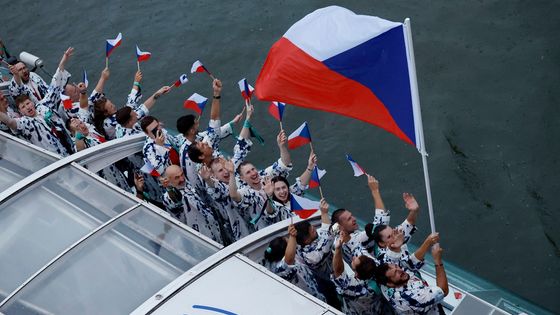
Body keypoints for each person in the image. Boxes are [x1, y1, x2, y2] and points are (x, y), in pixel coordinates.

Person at [0, 47, 75, 156]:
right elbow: (11, 122)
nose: (27, 107)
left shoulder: (42, 105)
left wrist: (64, 59)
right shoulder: (27, 123)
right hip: (56, 157)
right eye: (23, 107)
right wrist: (16, 75)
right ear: (20, 111)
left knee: (68, 92)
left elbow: (54, 85)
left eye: (24, 68)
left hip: (68, 143)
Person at [226, 129, 292, 231]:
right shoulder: (247, 192)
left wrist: (282, 147)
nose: (253, 173)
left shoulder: (264, 176)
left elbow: (284, 164)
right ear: (242, 178)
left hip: (287, 221)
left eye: (253, 169)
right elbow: (234, 195)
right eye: (248, 172)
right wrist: (231, 173)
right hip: (268, 234)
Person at [330, 174, 391, 264]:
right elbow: (381, 225)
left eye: (352, 216)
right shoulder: (354, 240)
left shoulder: (337, 241)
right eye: (349, 219)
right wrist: (375, 191)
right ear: (341, 227)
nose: (354, 219)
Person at [331, 230, 394, 315]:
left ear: (357, 274)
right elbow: (358, 249)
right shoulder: (379, 270)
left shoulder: (355, 289)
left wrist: (338, 248)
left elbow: (338, 271)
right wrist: (346, 237)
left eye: (353, 261)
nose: (353, 258)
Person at [375, 243, 449, 314]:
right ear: (390, 284)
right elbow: (443, 290)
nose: (400, 270)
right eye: (395, 273)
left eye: (396, 267)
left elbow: (410, 263)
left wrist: (399, 245)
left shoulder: (388, 278)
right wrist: (437, 260)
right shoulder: (409, 297)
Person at [294, 199, 340, 309]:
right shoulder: (311, 257)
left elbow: (324, 232)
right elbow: (326, 242)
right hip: (329, 285)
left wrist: (324, 213)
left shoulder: (311, 241)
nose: (315, 229)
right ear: (305, 241)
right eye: (313, 231)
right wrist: (338, 224)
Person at [262, 224, 325, 302]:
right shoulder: (278, 269)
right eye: (290, 244)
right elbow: (288, 261)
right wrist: (292, 236)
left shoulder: (273, 259)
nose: (294, 244)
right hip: (308, 301)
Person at [163, 165, 223, 244]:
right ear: (168, 181)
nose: (182, 179)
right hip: (199, 238)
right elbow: (176, 201)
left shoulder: (191, 182)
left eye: (182, 175)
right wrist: (169, 188)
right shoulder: (167, 198)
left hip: (216, 228)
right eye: (177, 178)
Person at [92, 69, 143, 139]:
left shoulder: (105, 121)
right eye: (111, 107)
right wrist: (136, 83)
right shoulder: (108, 123)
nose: (114, 106)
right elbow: (130, 110)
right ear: (105, 113)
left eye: (112, 104)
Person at [268, 150, 317, 222]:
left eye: (284, 187)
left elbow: (300, 184)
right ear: (273, 192)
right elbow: (270, 211)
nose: (282, 191)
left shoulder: (292, 194)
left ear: (288, 188)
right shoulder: (273, 205)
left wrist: (310, 167)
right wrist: (268, 196)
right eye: (277, 189)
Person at [370, 192, 420, 259]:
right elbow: (390, 258)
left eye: (393, 232)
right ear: (381, 244)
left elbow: (409, 222)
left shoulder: (396, 235)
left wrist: (414, 211)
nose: (394, 236)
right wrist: (396, 249)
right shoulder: (381, 257)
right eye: (389, 236)